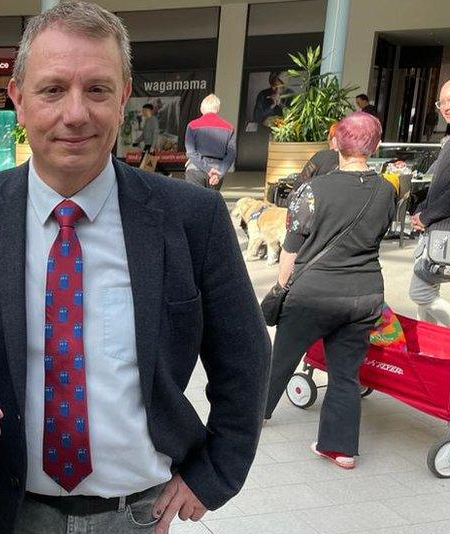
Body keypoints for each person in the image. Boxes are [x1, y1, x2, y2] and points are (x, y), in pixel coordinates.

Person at [0, 3, 270, 534]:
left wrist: (215, 472)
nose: (75, 113)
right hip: (4, 516)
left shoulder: (190, 217)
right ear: (18, 97)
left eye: (98, 90)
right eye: (53, 89)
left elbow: (244, 355)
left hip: (135, 522)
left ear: (125, 95)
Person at [265, 112, 395, 469]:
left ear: (337, 142)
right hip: (364, 295)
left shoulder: (313, 190)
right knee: (345, 374)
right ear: (375, 146)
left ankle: (255, 415)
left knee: (281, 359)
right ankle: (340, 449)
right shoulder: (386, 191)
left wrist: (280, 289)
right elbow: (379, 234)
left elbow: (291, 248)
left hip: (313, 293)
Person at [410, 80, 450, 325]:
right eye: (442, 102)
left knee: (420, 292)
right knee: (427, 292)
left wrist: (425, 216)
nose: (446, 107)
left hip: (443, 232)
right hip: (438, 231)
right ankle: (426, 349)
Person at [184, 94, 235, 190]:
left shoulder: (192, 125)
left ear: (201, 109)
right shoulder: (229, 127)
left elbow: (190, 152)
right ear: (218, 109)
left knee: (194, 202)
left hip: (195, 169)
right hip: (217, 171)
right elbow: (231, 154)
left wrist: (208, 169)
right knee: (211, 202)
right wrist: (219, 173)